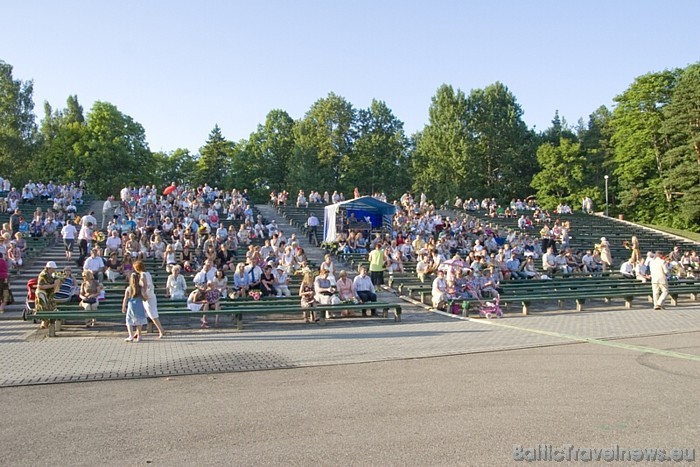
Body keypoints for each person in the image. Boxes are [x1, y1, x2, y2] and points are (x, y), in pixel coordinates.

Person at [133, 260, 165, 338]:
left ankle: (161, 330)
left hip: (147, 295)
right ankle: (138, 332)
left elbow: (145, 285)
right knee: (142, 313)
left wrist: (144, 295)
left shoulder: (143, 274)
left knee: (152, 314)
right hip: (151, 293)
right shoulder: (148, 273)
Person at [122, 272, 148, 342]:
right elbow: (144, 297)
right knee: (139, 321)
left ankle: (131, 335)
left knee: (129, 320)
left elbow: (125, 298)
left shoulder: (128, 288)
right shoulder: (140, 288)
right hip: (139, 305)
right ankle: (139, 335)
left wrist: (123, 306)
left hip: (131, 306)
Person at [35, 261, 62, 328]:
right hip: (42, 293)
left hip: (49, 293)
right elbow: (40, 286)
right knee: (43, 307)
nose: (55, 269)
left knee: (52, 306)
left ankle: (46, 322)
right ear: (49, 268)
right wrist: (53, 285)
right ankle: (44, 322)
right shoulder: (43, 275)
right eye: (53, 268)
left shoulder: (52, 274)